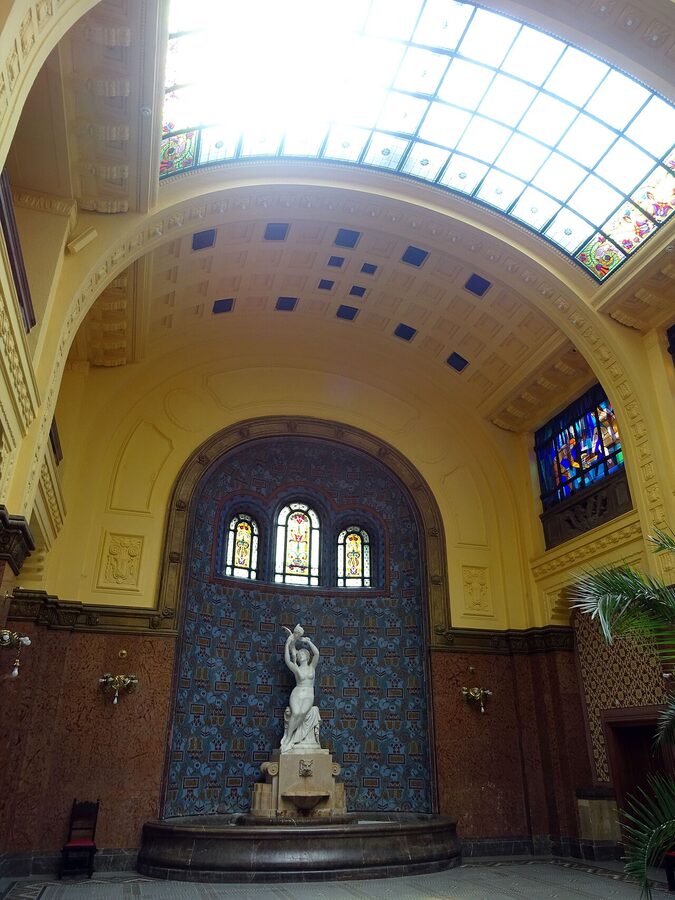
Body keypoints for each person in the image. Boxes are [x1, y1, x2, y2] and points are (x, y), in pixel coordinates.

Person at [280, 624, 320, 753]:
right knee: (296, 713)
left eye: (304, 653)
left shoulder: (312, 667)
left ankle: (291, 740)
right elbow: (287, 660)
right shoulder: (296, 668)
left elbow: (317, 653)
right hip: (297, 693)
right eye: (300, 654)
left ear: (308, 656)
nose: (302, 655)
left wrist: (307, 641)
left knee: (302, 713)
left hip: (308, 694)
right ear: (297, 656)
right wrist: (287, 644)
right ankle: (287, 737)